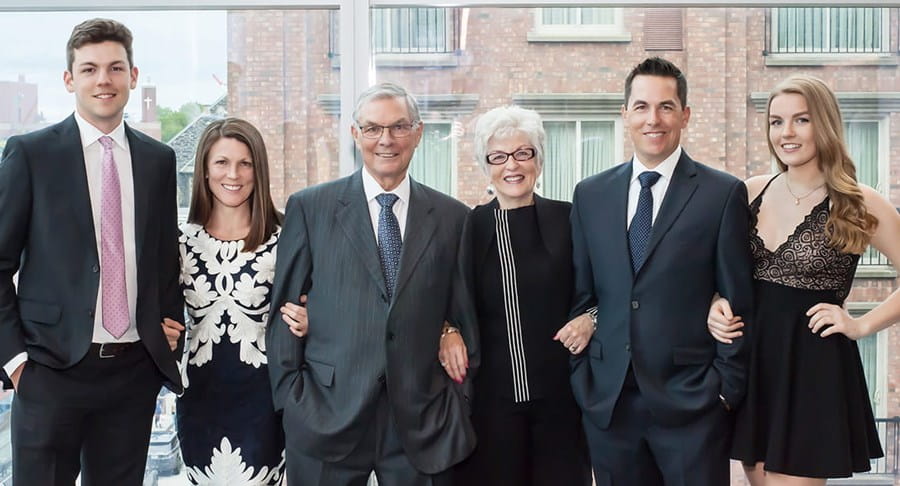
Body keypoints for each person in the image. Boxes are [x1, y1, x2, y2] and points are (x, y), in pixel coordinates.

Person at [266, 82, 477, 486]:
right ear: (355, 134)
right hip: (326, 414)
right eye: (373, 128)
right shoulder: (310, 208)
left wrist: (449, 337)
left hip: (422, 420)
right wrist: (292, 400)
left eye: (399, 127)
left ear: (418, 133)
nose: (386, 139)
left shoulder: (453, 217)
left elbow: (462, 311)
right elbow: (284, 314)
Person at [0, 18, 183, 485]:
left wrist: (168, 326)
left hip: (132, 374)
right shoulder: (31, 155)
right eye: (89, 69)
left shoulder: (158, 160)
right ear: (69, 80)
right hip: (49, 372)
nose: (104, 80)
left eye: (115, 68)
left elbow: (164, 260)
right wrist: (16, 362)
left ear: (133, 76)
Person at [568, 57, 755, 485]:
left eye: (666, 107)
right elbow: (582, 295)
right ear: (625, 114)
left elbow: (738, 300)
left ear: (685, 115)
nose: (653, 119)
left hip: (693, 407)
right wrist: (583, 378)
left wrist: (725, 391)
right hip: (609, 406)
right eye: (642, 106)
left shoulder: (722, 194)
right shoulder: (591, 194)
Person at [707, 74, 900, 485]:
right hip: (754, 366)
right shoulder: (748, 192)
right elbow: (716, 271)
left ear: (824, 124)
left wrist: (861, 325)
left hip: (814, 370)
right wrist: (715, 303)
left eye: (801, 120)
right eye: (776, 122)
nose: (786, 133)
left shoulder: (859, 202)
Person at [434, 105, 592, 486]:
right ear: (484, 164)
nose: (512, 165)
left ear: (539, 159)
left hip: (563, 406)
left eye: (523, 153)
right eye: (499, 157)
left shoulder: (571, 218)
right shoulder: (467, 227)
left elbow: (605, 290)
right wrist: (446, 330)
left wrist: (591, 319)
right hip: (489, 409)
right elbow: (435, 297)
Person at [161, 118, 286, 484]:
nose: (233, 174)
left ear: (258, 170)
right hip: (201, 399)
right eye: (222, 162)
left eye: (245, 163)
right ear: (204, 169)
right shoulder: (180, 242)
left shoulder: (287, 237)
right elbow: (159, 315)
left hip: (266, 402)